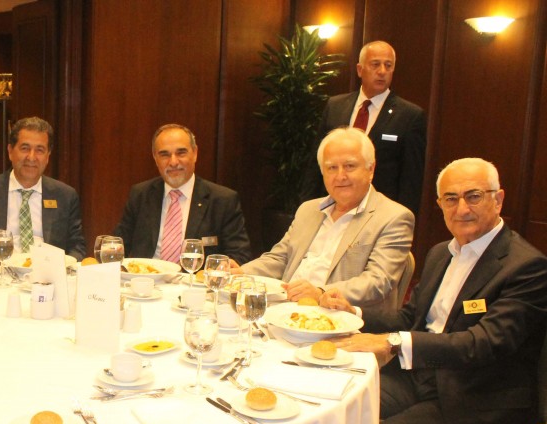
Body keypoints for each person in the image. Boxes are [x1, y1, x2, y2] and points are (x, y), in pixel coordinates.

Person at [321, 158, 547, 424]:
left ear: (498, 199)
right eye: (451, 199)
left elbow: (482, 343)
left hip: (477, 401)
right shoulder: (442, 252)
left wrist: (394, 343)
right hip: (423, 377)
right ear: (440, 204)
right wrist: (355, 313)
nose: (462, 208)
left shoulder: (525, 267)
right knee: (339, 404)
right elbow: (411, 318)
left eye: (474, 196)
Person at [240, 127, 414, 311]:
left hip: (338, 316)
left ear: (370, 169)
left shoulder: (393, 217)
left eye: (350, 166)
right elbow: (280, 258)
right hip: (285, 310)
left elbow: (378, 282)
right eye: (332, 168)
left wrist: (320, 292)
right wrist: (240, 273)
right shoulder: (308, 210)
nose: (340, 176)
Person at [304, 41, 426, 214]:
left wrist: (404, 219)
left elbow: (411, 180)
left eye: (388, 65)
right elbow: (316, 165)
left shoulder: (409, 115)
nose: (382, 71)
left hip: (379, 213)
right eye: (375, 64)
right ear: (360, 70)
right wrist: (308, 209)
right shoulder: (335, 106)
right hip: (333, 208)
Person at [0, 116, 86, 265]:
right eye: (25, 148)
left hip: (47, 275)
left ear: (48, 156)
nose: (31, 157)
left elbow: (77, 246)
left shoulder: (65, 196)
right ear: (10, 151)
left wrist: (64, 267)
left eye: (40, 150)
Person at [113, 124, 252, 264]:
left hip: (195, 277)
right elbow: (118, 246)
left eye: (181, 153)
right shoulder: (140, 194)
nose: (173, 162)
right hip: (146, 275)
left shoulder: (223, 200)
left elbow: (240, 255)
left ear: (195, 153)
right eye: (164, 154)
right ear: (155, 158)